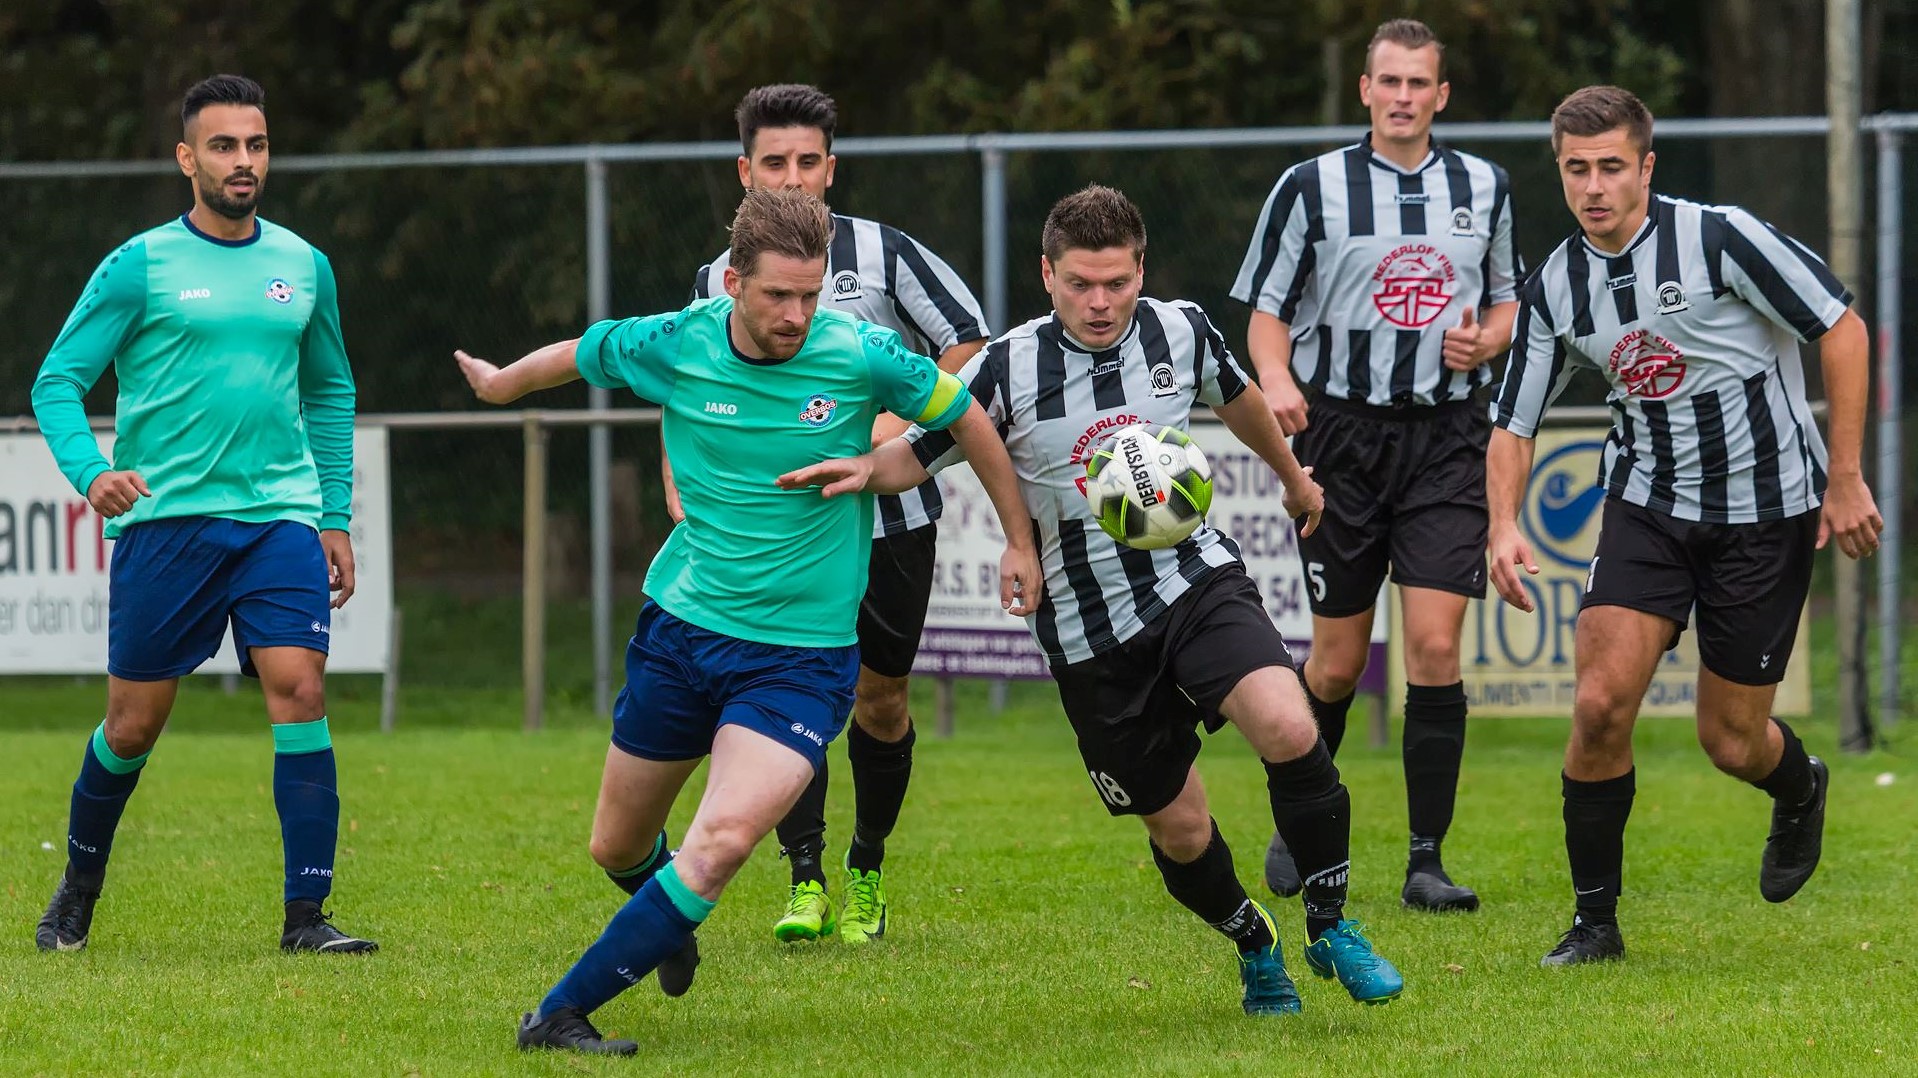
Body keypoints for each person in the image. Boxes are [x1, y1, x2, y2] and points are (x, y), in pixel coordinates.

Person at [455, 187, 1041, 1055]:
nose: (797, 316)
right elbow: (582, 354)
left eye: (811, 295)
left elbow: (967, 420)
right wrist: (504, 385)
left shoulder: (861, 352)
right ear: (732, 281)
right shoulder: (680, 340)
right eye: (777, 296)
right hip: (682, 632)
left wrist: (1006, 534)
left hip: (800, 661)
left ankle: (559, 1015)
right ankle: (665, 924)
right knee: (617, 846)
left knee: (723, 838)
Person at [793, 184, 1404, 1016]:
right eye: (1081, 282)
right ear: (1047, 274)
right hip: (1087, 632)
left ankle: (1332, 924)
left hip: (1193, 580)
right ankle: (1254, 943)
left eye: (1117, 282)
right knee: (1180, 831)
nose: (1101, 301)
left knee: (1292, 726)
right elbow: (922, 450)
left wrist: (1295, 482)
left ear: (1141, 271)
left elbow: (1239, 398)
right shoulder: (1005, 363)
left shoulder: (1180, 328)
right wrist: (869, 470)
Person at [1487, 85, 1881, 965]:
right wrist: (1503, 523)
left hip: (1764, 511)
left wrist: (1845, 477)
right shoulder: (1553, 284)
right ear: (1560, 171)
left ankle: (1798, 786)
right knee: (1596, 706)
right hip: (1648, 507)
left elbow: (1843, 328)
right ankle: (1596, 924)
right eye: (1577, 169)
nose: (1594, 187)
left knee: (1731, 741)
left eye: (1612, 167)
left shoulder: (1719, 236)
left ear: (1646, 167)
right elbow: (1514, 422)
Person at [30, 74, 373, 955]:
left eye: (256, 144)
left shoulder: (304, 266)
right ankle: (77, 889)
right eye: (224, 146)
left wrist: (332, 515)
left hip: (277, 519)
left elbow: (331, 390)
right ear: (188, 160)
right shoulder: (139, 263)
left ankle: (308, 919)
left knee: (299, 689)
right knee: (132, 723)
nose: (244, 161)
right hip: (168, 525)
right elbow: (58, 382)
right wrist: (92, 472)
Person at [680, 84, 992, 944]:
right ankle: (806, 878)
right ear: (746, 173)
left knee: (880, 702)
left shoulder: (884, 254)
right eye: (773, 163)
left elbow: (968, 341)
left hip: (890, 526)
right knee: (786, 698)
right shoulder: (720, 276)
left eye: (807, 162)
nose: (792, 179)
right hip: (782, 539)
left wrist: (889, 434)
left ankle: (866, 869)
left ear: (831, 167)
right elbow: (689, 385)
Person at [1229, 18, 1518, 913]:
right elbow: (1266, 309)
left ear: (1441, 95)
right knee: (1337, 664)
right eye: (1386, 81)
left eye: (1417, 83)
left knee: (1433, 648)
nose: (1401, 96)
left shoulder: (1486, 186)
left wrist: (1486, 339)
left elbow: (1512, 303)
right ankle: (1301, 811)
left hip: (1446, 437)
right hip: (1341, 440)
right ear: (1365, 91)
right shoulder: (1309, 187)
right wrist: (1275, 378)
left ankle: (1426, 861)